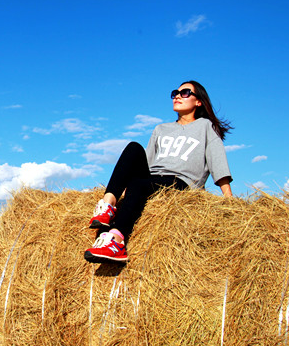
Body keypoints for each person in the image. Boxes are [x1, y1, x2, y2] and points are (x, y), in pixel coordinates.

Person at [84, 80, 233, 264]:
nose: (178, 96)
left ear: (198, 101)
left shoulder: (205, 127)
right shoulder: (161, 129)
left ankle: (116, 241)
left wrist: (228, 198)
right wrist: (125, 191)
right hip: (153, 178)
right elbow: (146, 161)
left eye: (185, 93)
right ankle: (107, 205)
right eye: (175, 93)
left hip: (181, 181)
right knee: (133, 148)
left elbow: (216, 158)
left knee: (139, 184)